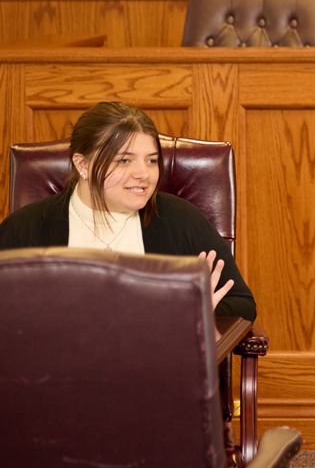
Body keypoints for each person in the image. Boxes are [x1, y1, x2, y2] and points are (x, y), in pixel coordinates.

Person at [0, 102, 255, 321]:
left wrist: (190, 311)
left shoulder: (181, 219)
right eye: (124, 160)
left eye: (151, 160)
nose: (144, 173)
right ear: (83, 164)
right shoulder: (24, 229)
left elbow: (242, 304)